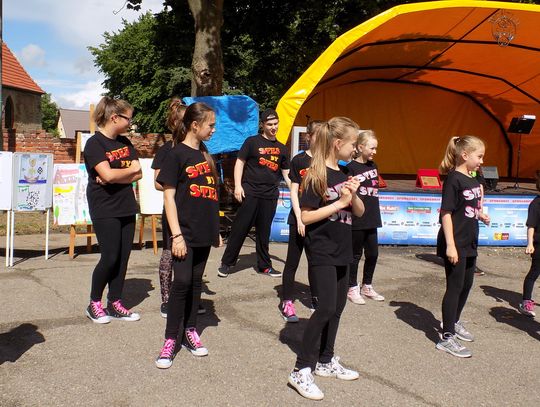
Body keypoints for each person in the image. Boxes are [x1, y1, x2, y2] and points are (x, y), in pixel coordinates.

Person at [288, 117, 365, 401]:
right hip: (322, 248)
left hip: (343, 247)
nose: (355, 149)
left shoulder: (345, 172)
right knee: (325, 308)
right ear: (337, 143)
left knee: (338, 308)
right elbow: (306, 216)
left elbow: (359, 212)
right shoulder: (315, 174)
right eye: (353, 143)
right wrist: (339, 202)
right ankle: (300, 370)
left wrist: (352, 195)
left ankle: (325, 360)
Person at [154, 102, 220, 369]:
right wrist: (177, 236)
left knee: (194, 283)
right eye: (210, 125)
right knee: (180, 283)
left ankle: (190, 331)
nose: (213, 130)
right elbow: (168, 198)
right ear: (195, 125)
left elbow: (211, 196)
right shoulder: (175, 154)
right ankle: (171, 339)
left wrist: (216, 230)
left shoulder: (206, 155)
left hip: (204, 231)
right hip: (184, 232)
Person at [84, 96, 142, 324]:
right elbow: (108, 175)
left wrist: (113, 176)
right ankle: (94, 303)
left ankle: (115, 302)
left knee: (123, 258)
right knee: (110, 257)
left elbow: (139, 172)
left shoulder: (125, 143)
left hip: (126, 205)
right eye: (129, 118)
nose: (131, 123)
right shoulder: (94, 144)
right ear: (114, 117)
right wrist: (119, 174)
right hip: (104, 207)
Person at [217, 108, 291, 278]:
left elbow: (286, 173)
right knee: (240, 229)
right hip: (250, 192)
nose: (273, 127)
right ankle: (227, 263)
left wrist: (295, 191)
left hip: (270, 195)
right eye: (270, 124)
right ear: (262, 125)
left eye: (276, 124)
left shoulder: (282, 148)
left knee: (264, 232)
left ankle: (264, 266)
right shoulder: (252, 142)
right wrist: (238, 186)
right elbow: (240, 163)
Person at [435, 136, 490, 358]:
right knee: (455, 287)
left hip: (470, 240)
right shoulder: (453, 179)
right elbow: (446, 213)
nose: (482, 161)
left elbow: (468, 207)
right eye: (479, 156)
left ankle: (454, 321)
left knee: (467, 284)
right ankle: (446, 337)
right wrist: (450, 246)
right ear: (465, 155)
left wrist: (480, 214)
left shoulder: (472, 179)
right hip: (455, 242)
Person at [279, 120, 323, 322]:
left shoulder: (326, 161)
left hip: (318, 220)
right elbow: (294, 191)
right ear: (308, 137)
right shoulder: (298, 160)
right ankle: (287, 301)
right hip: (298, 219)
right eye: (317, 136)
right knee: (292, 263)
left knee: (316, 262)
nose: (321, 140)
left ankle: (317, 300)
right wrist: (299, 218)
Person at [152, 98, 187, 318]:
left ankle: (189, 299)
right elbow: (157, 182)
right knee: (169, 253)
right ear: (176, 124)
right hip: (173, 209)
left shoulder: (199, 149)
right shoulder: (166, 150)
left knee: (192, 255)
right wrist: (176, 185)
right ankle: (167, 300)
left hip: (194, 212)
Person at [346, 130, 384, 305]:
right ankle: (351, 286)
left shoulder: (374, 166)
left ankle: (367, 285)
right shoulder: (350, 167)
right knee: (355, 254)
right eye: (372, 148)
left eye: (376, 148)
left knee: (373, 254)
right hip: (357, 218)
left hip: (372, 217)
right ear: (360, 147)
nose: (375, 152)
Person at [518, 170, 540, 318]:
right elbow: (531, 225)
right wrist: (530, 243)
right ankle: (526, 301)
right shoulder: (536, 203)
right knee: (534, 272)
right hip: (538, 244)